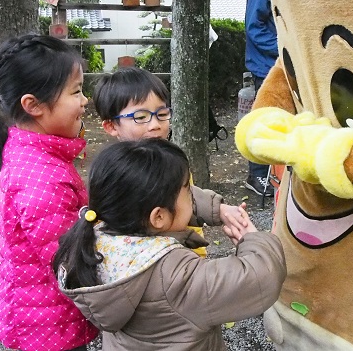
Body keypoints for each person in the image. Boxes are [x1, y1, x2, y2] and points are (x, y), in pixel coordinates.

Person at [53, 139, 286, 350]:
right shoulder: (173, 276)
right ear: (158, 217)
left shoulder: (98, 235)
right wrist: (253, 239)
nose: (191, 193)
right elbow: (259, 279)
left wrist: (217, 209)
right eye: (186, 188)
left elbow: (167, 206)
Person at [0, 34, 98, 350]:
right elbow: (67, 263)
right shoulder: (42, 180)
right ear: (34, 105)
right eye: (76, 91)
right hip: (48, 330)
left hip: (41, 318)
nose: (85, 101)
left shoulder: (35, 154)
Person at [92, 67, 246, 256]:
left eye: (162, 114)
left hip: (189, 256)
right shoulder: (119, 174)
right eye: (141, 117)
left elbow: (187, 196)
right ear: (111, 126)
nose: (155, 124)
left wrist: (219, 209)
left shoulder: (170, 160)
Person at [244, 0, 278, 197]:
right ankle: (257, 175)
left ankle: (275, 172)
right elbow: (254, 27)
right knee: (263, 122)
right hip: (265, 67)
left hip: (282, 65)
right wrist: (286, 47)